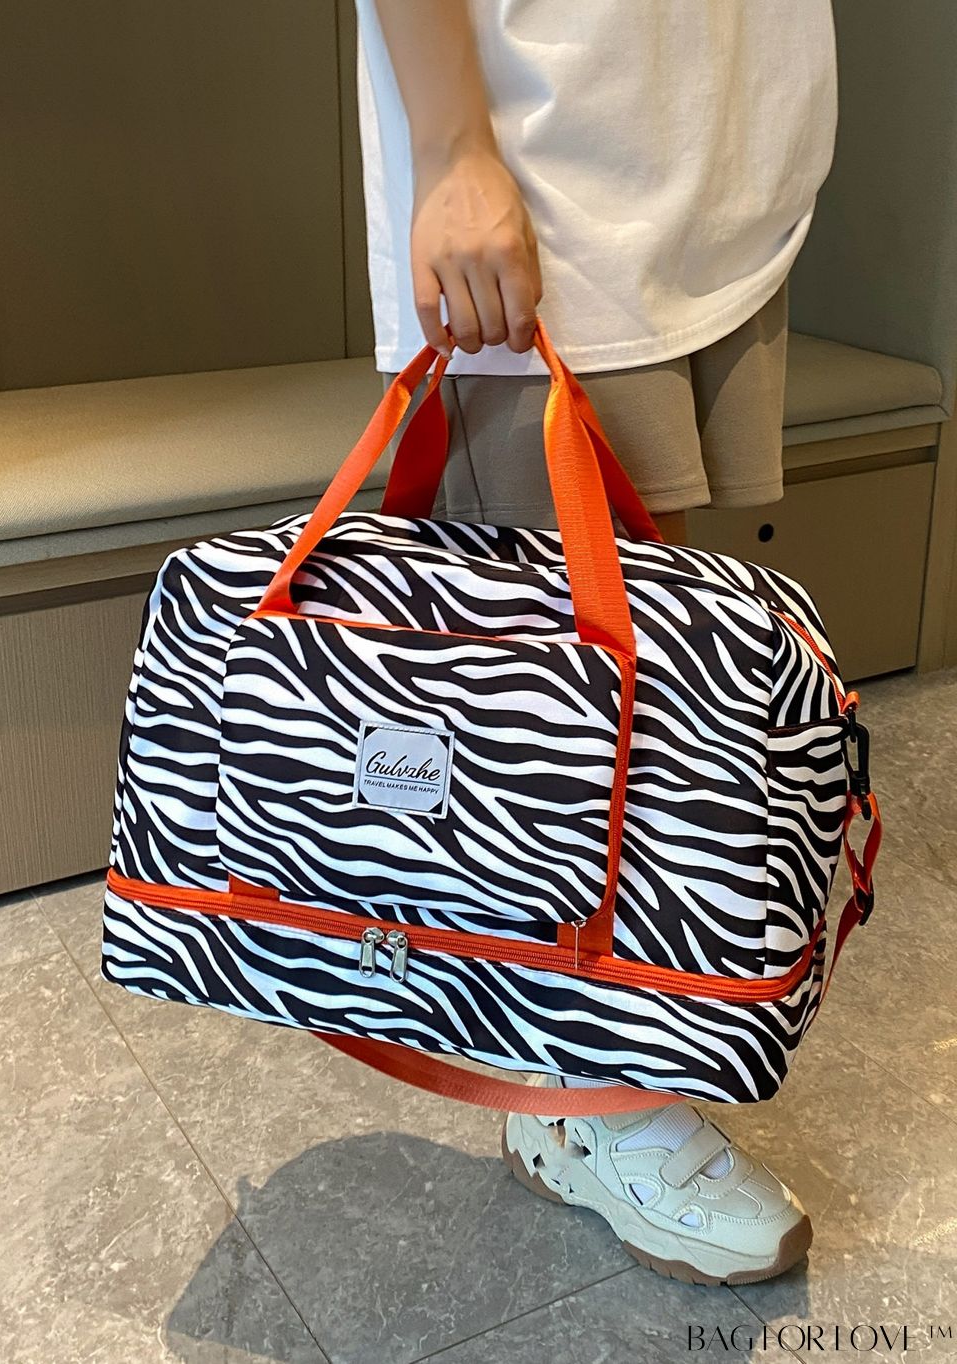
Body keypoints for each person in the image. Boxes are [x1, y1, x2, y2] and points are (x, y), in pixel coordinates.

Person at [354, 0, 837, 1285]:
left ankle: (602, 1054)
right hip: (545, 155)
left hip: (721, 175)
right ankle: (583, 1099)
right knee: (547, 709)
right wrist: (454, 147)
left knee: (650, 683)